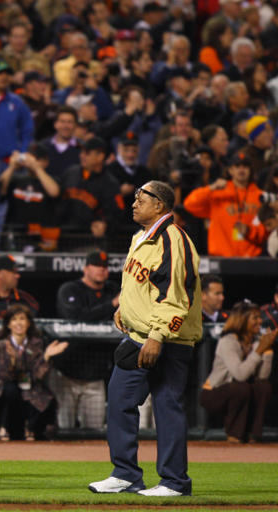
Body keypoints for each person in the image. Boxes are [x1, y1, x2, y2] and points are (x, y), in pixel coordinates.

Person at [90, 180, 202, 497]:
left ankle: (174, 482)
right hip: (138, 336)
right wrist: (125, 309)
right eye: (136, 196)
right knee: (120, 404)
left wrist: (157, 336)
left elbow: (176, 296)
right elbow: (144, 285)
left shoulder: (173, 240)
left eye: (143, 197)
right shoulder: (142, 236)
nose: (135, 201)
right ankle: (125, 474)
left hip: (166, 340)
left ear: (161, 205)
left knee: (167, 407)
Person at [52, 250, 119, 430]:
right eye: (97, 266)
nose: (101, 270)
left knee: (95, 431)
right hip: (67, 372)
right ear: (86, 269)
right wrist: (111, 305)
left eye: (105, 267)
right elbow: (76, 318)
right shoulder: (70, 289)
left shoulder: (113, 290)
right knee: (64, 429)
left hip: (95, 376)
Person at [200, 300, 275, 443]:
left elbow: (262, 376)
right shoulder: (228, 341)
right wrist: (259, 351)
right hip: (214, 393)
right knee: (241, 387)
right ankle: (235, 436)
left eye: (260, 317)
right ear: (243, 320)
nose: (260, 321)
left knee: (263, 386)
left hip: (240, 390)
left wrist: (267, 352)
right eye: (255, 318)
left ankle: (253, 434)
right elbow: (240, 375)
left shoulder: (257, 340)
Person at [0, 305, 67, 441]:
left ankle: (32, 429)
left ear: (28, 323)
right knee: (10, 390)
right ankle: (4, 427)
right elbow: (5, 375)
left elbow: (38, 375)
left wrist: (46, 357)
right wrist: (13, 360)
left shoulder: (37, 343)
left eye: (22, 319)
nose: (19, 323)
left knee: (44, 397)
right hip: (9, 388)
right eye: (14, 319)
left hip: (32, 385)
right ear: (8, 324)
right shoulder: (1, 345)